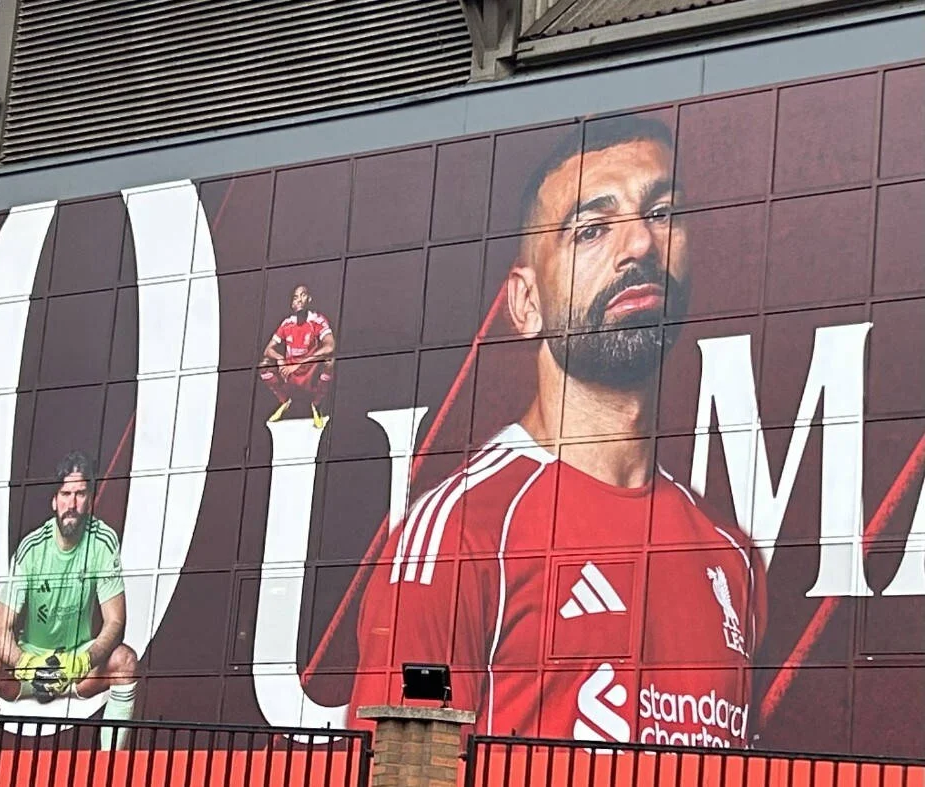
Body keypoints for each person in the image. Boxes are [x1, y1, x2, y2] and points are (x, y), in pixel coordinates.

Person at [349, 116, 765, 747]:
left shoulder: (731, 558)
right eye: (592, 229)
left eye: (662, 212)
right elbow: (399, 766)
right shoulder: (461, 535)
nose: (640, 247)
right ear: (525, 302)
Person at [0, 451, 138, 750]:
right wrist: (28, 664)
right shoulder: (32, 548)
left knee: (125, 661)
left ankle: (112, 770)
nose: (72, 503)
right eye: (66, 494)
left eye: (80, 494)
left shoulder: (103, 541)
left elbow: (115, 621)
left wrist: (83, 660)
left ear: (91, 500)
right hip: (31, 663)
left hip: (77, 662)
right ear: (54, 500)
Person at [259, 285, 336, 428]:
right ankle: (284, 401)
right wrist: (281, 359)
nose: (299, 300)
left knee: (330, 361)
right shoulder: (287, 323)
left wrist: (300, 363)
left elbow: (330, 346)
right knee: (264, 365)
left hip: (309, 373)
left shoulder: (317, 320)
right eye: (295, 297)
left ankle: (316, 404)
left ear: (309, 299)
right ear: (292, 304)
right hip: (290, 374)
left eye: (303, 295)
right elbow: (268, 349)